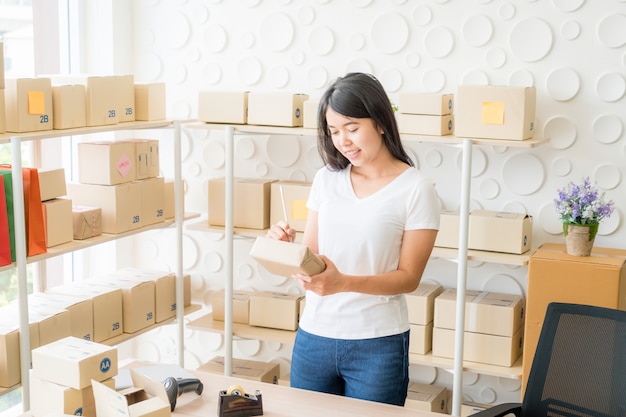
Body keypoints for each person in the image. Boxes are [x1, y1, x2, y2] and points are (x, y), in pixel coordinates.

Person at [266, 72, 440, 406]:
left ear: (380, 122)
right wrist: (287, 250)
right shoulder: (326, 179)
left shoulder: (416, 189)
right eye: (333, 131)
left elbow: (409, 278)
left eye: (352, 127)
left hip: (377, 344)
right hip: (314, 336)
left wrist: (344, 282)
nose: (343, 141)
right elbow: (312, 261)